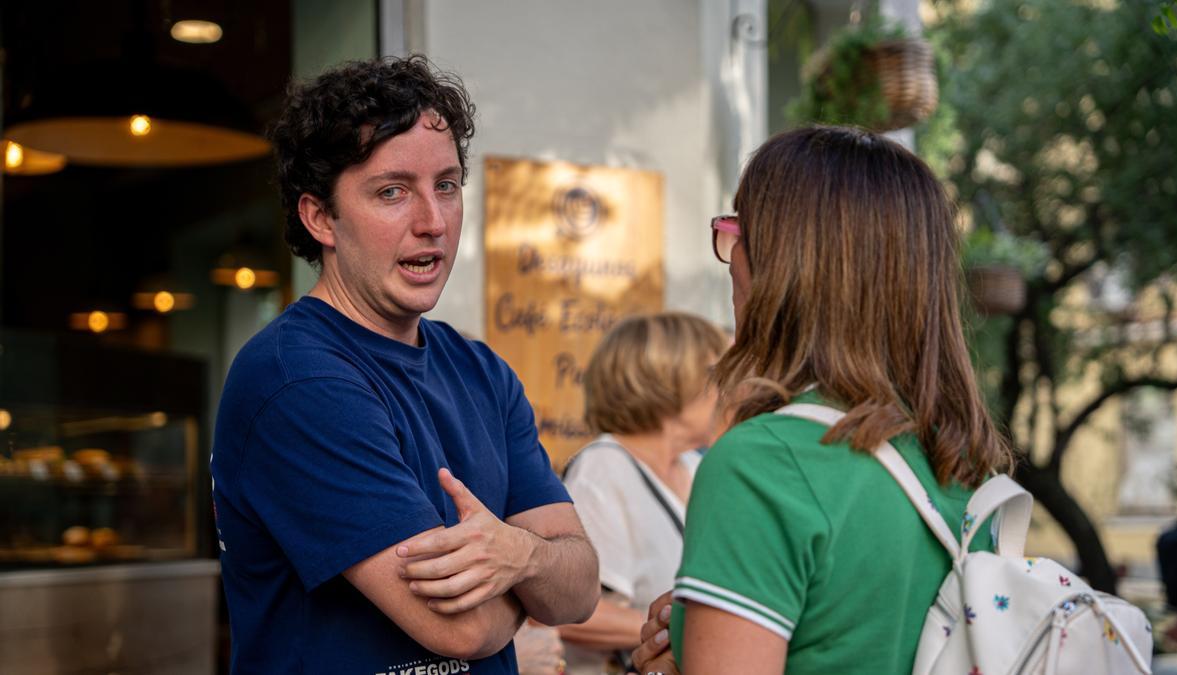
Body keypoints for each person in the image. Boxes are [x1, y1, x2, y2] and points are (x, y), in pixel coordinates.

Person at [210, 56, 599, 674]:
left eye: (445, 185)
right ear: (319, 217)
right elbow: (463, 627)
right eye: (392, 192)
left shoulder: (481, 370)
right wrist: (532, 579)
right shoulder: (297, 379)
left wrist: (519, 558)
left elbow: (580, 589)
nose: (432, 222)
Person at [632, 125, 1013, 674]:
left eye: (739, 230)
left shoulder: (763, 464)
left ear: (784, 266)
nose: (731, 257)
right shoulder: (959, 463)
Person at [555, 313, 726, 675]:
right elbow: (572, 615)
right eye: (713, 374)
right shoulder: (604, 469)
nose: (725, 389)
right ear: (666, 381)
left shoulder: (694, 468)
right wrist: (687, 633)